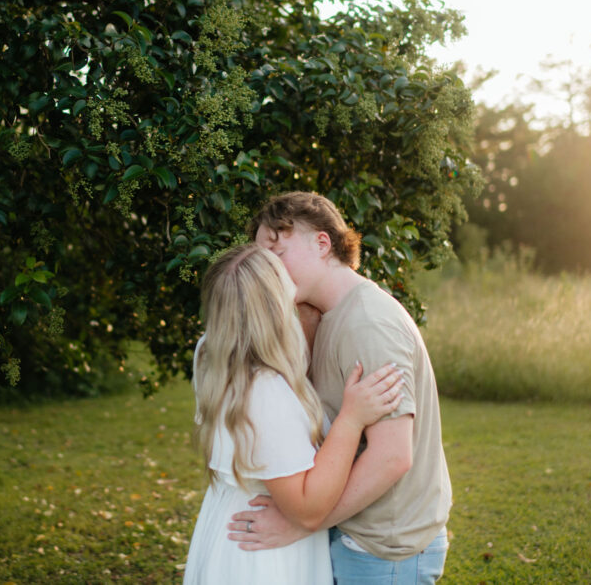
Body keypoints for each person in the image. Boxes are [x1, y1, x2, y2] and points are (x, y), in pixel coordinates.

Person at [227, 191, 452, 584]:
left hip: (384, 550)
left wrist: (301, 523)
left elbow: (392, 456)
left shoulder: (368, 322)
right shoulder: (328, 315)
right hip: (357, 538)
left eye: (277, 254)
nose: (269, 271)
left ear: (322, 243)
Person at [183, 244, 405, 585]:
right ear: (274, 309)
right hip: (264, 551)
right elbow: (307, 508)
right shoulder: (264, 391)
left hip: (228, 523)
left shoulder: (211, 352)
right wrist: (351, 419)